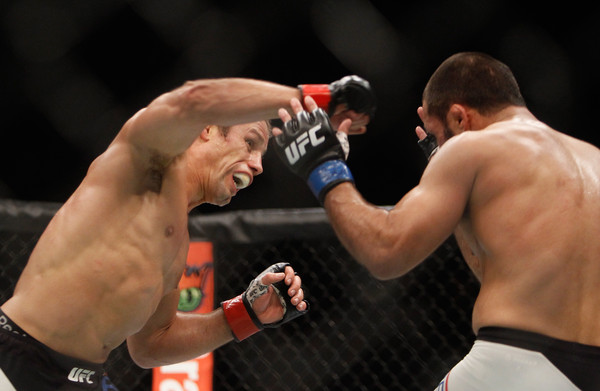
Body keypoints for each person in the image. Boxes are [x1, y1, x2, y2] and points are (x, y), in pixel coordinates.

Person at [0, 75, 375, 390]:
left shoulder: (178, 242)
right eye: (250, 143)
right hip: (17, 357)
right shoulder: (145, 162)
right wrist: (317, 99)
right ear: (208, 129)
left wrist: (246, 313)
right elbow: (195, 98)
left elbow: (151, 345)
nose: (259, 166)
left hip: (82, 379)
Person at [273, 52, 600, 390]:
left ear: (460, 117)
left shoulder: (474, 146)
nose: (438, 149)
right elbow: (496, 271)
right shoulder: (593, 159)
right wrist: (462, 201)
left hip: (514, 363)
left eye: (437, 135)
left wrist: (322, 165)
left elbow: (385, 251)